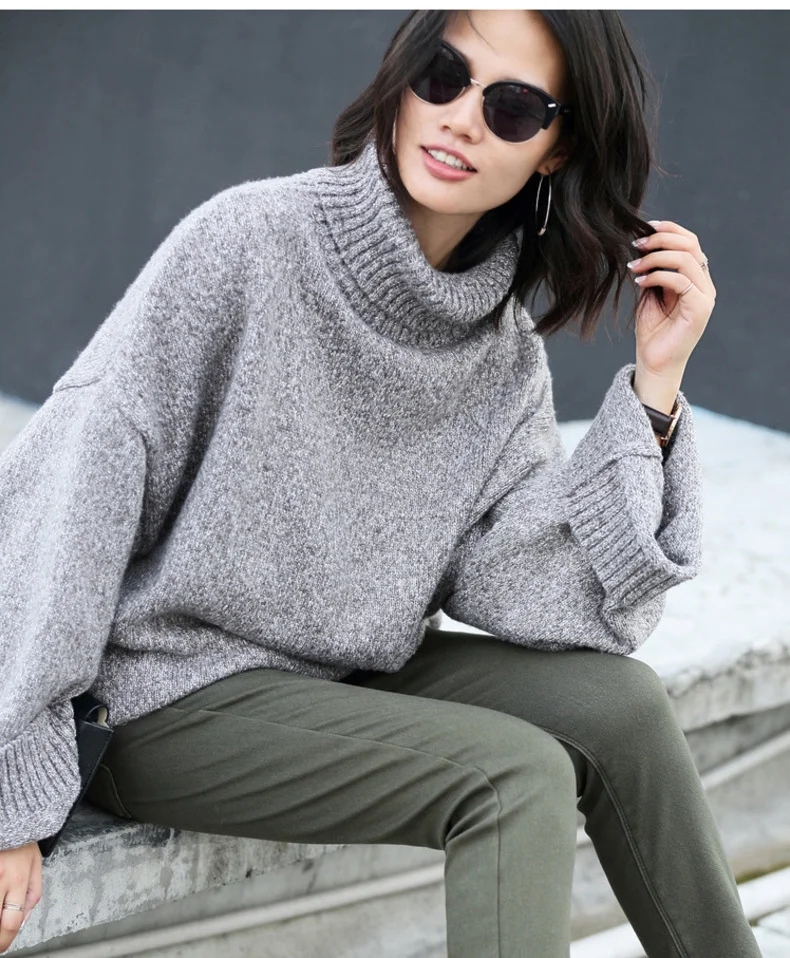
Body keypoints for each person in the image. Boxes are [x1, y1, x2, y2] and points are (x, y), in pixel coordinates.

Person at [0, 9, 760, 958]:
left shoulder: (499, 355)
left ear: (557, 150)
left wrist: (656, 387)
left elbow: (544, 593)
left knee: (626, 708)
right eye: (443, 74)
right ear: (404, 77)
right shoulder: (249, 242)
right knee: (512, 775)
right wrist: (12, 781)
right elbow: (73, 488)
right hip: (161, 695)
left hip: (336, 675)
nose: (460, 118)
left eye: (513, 107)